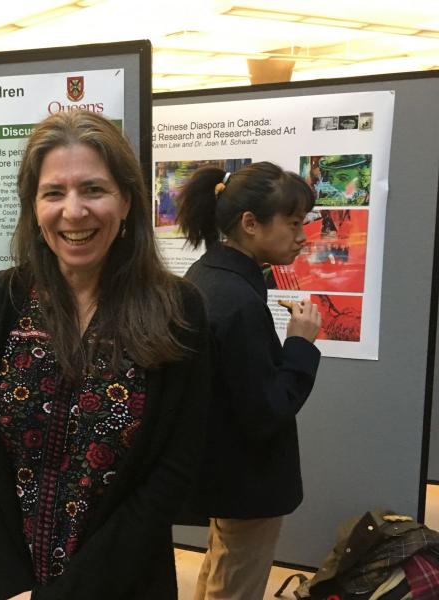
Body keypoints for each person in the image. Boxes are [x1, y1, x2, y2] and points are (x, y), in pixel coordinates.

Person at [0, 111, 211, 600]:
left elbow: (172, 471)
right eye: (54, 193)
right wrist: (13, 585)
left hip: (121, 584)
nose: (73, 211)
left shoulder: (177, 308)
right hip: (3, 584)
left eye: (93, 189)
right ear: (33, 206)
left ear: (127, 200)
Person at [176, 161, 322, 600]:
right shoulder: (236, 300)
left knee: (223, 567)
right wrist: (300, 344)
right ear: (250, 223)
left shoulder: (208, 277)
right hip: (246, 479)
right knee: (236, 582)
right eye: (293, 223)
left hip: (225, 473)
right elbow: (266, 411)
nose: (302, 236)